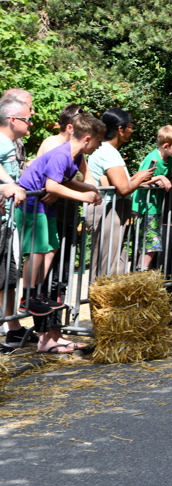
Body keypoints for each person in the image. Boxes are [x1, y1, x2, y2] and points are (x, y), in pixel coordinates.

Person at [15, 112, 105, 353]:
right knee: (37, 250)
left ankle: (38, 293)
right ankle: (29, 294)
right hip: (33, 206)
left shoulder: (73, 157)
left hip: (46, 207)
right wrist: (83, 196)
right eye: (97, 142)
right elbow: (52, 185)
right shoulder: (61, 154)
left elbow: (65, 181)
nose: (98, 147)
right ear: (87, 139)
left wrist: (87, 186)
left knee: (51, 248)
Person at [86, 108, 156, 280]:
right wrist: (140, 177)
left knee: (115, 260)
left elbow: (119, 184)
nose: (132, 130)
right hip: (108, 209)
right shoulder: (108, 153)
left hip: (112, 209)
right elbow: (123, 188)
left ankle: (109, 303)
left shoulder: (108, 151)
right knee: (106, 264)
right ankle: (102, 303)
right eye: (130, 125)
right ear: (120, 129)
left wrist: (141, 179)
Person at [0, 98, 36, 352]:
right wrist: (7, 185)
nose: (31, 122)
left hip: (6, 219)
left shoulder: (11, 144)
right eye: (28, 118)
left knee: (8, 277)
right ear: (13, 120)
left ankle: (12, 329)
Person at [132, 126, 172, 269]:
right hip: (144, 207)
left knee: (152, 240)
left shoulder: (169, 158)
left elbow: (169, 175)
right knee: (152, 242)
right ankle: (141, 270)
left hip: (155, 206)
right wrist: (158, 178)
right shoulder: (153, 159)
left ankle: (142, 269)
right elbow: (139, 180)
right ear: (166, 146)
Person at [0, 89, 33, 173]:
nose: (33, 112)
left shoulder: (15, 136)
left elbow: (12, 170)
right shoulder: (4, 141)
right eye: (29, 108)